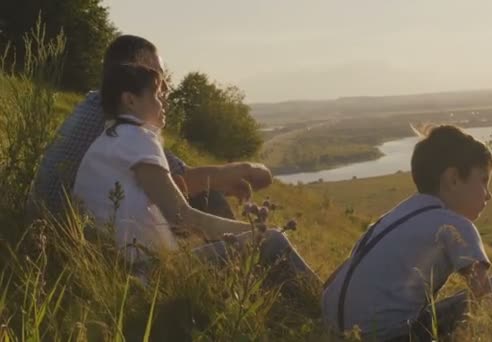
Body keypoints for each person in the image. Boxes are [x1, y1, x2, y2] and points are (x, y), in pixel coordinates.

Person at [72, 63, 318, 283]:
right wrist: (254, 231)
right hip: (151, 272)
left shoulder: (107, 142)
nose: (164, 103)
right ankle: (325, 313)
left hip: (120, 270)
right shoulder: (138, 138)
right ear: (130, 100)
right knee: (273, 241)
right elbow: (182, 216)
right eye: (157, 96)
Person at [29, 35, 270, 220]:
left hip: (55, 219)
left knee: (206, 193)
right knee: (206, 197)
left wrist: (221, 180)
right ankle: (227, 268)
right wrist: (244, 169)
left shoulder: (101, 106)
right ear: (136, 71)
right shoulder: (122, 123)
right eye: (157, 77)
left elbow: (165, 178)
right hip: (68, 227)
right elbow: (178, 181)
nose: (163, 88)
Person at [322, 125, 492, 341]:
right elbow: (485, 299)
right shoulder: (456, 225)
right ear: (453, 178)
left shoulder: (398, 213)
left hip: (332, 327)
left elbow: (333, 279)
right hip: (388, 336)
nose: (489, 195)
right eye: (483, 181)